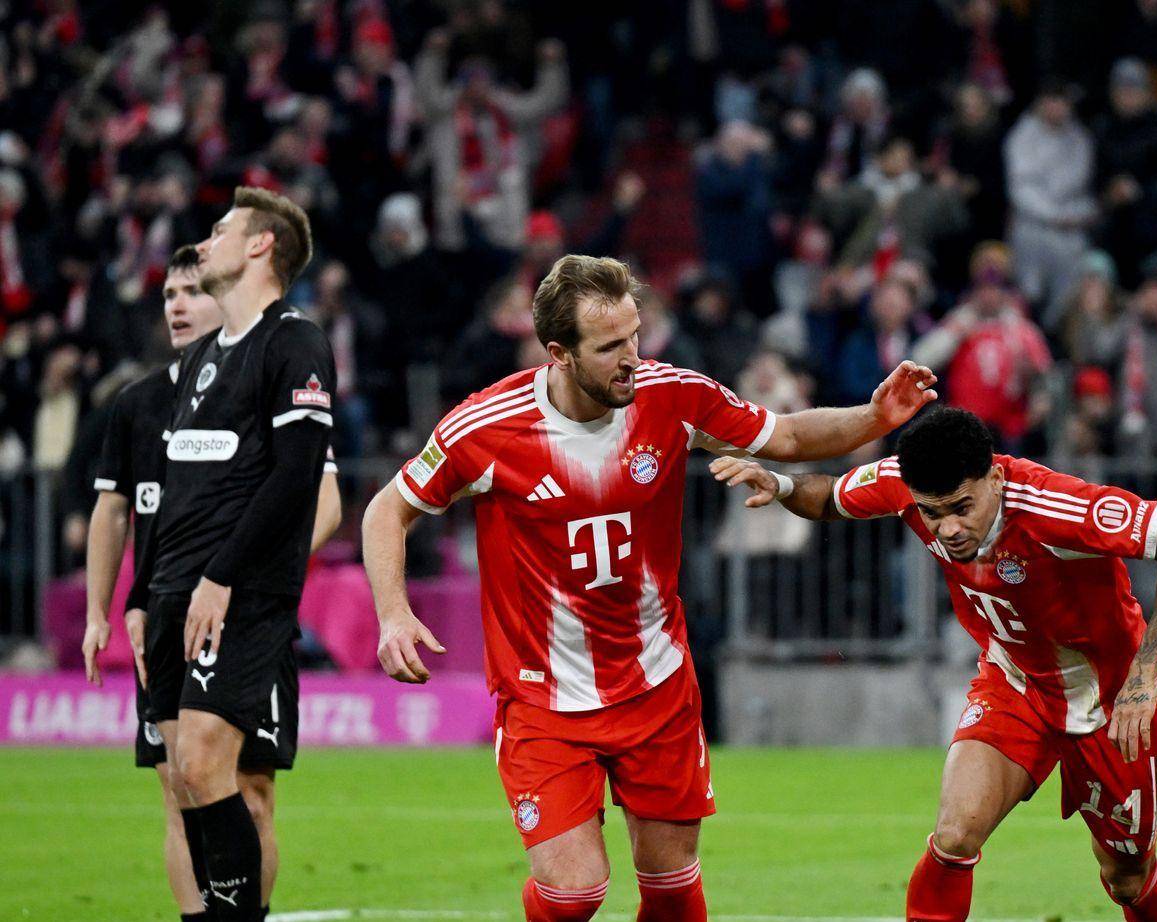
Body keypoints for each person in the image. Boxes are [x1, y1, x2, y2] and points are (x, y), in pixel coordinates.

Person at [359, 254, 938, 922]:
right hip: (544, 698)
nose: (631, 357)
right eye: (610, 347)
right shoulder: (486, 428)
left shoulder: (675, 396)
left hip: (656, 687)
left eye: (635, 335)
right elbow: (387, 509)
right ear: (560, 353)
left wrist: (873, 416)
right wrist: (394, 613)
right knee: (573, 892)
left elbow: (785, 435)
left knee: (670, 890)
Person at [709, 405, 1157, 922]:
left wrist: (1144, 674)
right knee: (954, 837)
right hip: (1015, 683)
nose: (948, 528)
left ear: (994, 478)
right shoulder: (904, 482)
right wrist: (782, 486)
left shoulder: (1057, 506)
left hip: (1110, 699)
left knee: (1127, 877)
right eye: (932, 513)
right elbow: (831, 498)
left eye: (961, 507)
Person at [79, 243, 341, 921]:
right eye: (168, 295)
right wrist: (111, 607)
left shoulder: (264, 373)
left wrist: (255, 573)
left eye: (192, 292)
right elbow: (122, 511)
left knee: (250, 790)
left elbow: (323, 494)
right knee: (180, 784)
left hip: (246, 612)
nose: (178, 305)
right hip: (169, 611)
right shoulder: (138, 405)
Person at [144, 188, 334, 922]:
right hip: (172, 593)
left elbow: (296, 476)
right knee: (182, 778)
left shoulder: (293, 342)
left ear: (261, 246)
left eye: (221, 231)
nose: (204, 243)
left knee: (206, 763)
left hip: (238, 594)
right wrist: (145, 597)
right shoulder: (200, 362)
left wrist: (220, 577)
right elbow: (177, 490)